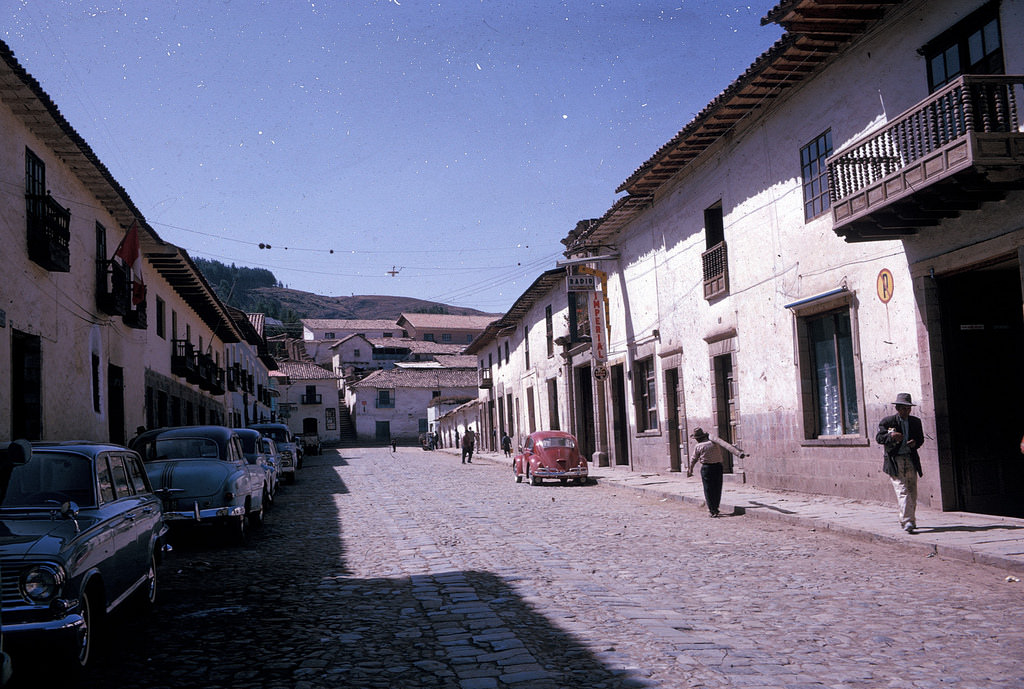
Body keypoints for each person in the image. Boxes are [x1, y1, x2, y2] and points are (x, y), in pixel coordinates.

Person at [876, 392, 925, 534]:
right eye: (903, 408)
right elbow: (879, 437)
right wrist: (891, 436)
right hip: (895, 460)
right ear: (897, 408)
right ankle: (907, 521)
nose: (906, 411)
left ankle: (910, 519)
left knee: (912, 490)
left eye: (908, 408)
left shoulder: (915, 422)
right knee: (902, 490)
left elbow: (920, 439)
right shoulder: (888, 422)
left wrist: (914, 443)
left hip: (910, 459)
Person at [687, 427, 725, 517]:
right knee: (717, 488)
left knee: (708, 489)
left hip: (707, 468)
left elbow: (694, 459)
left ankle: (712, 510)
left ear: (697, 438)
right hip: (718, 466)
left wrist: (690, 469)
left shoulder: (699, 446)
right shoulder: (714, 443)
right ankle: (716, 507)